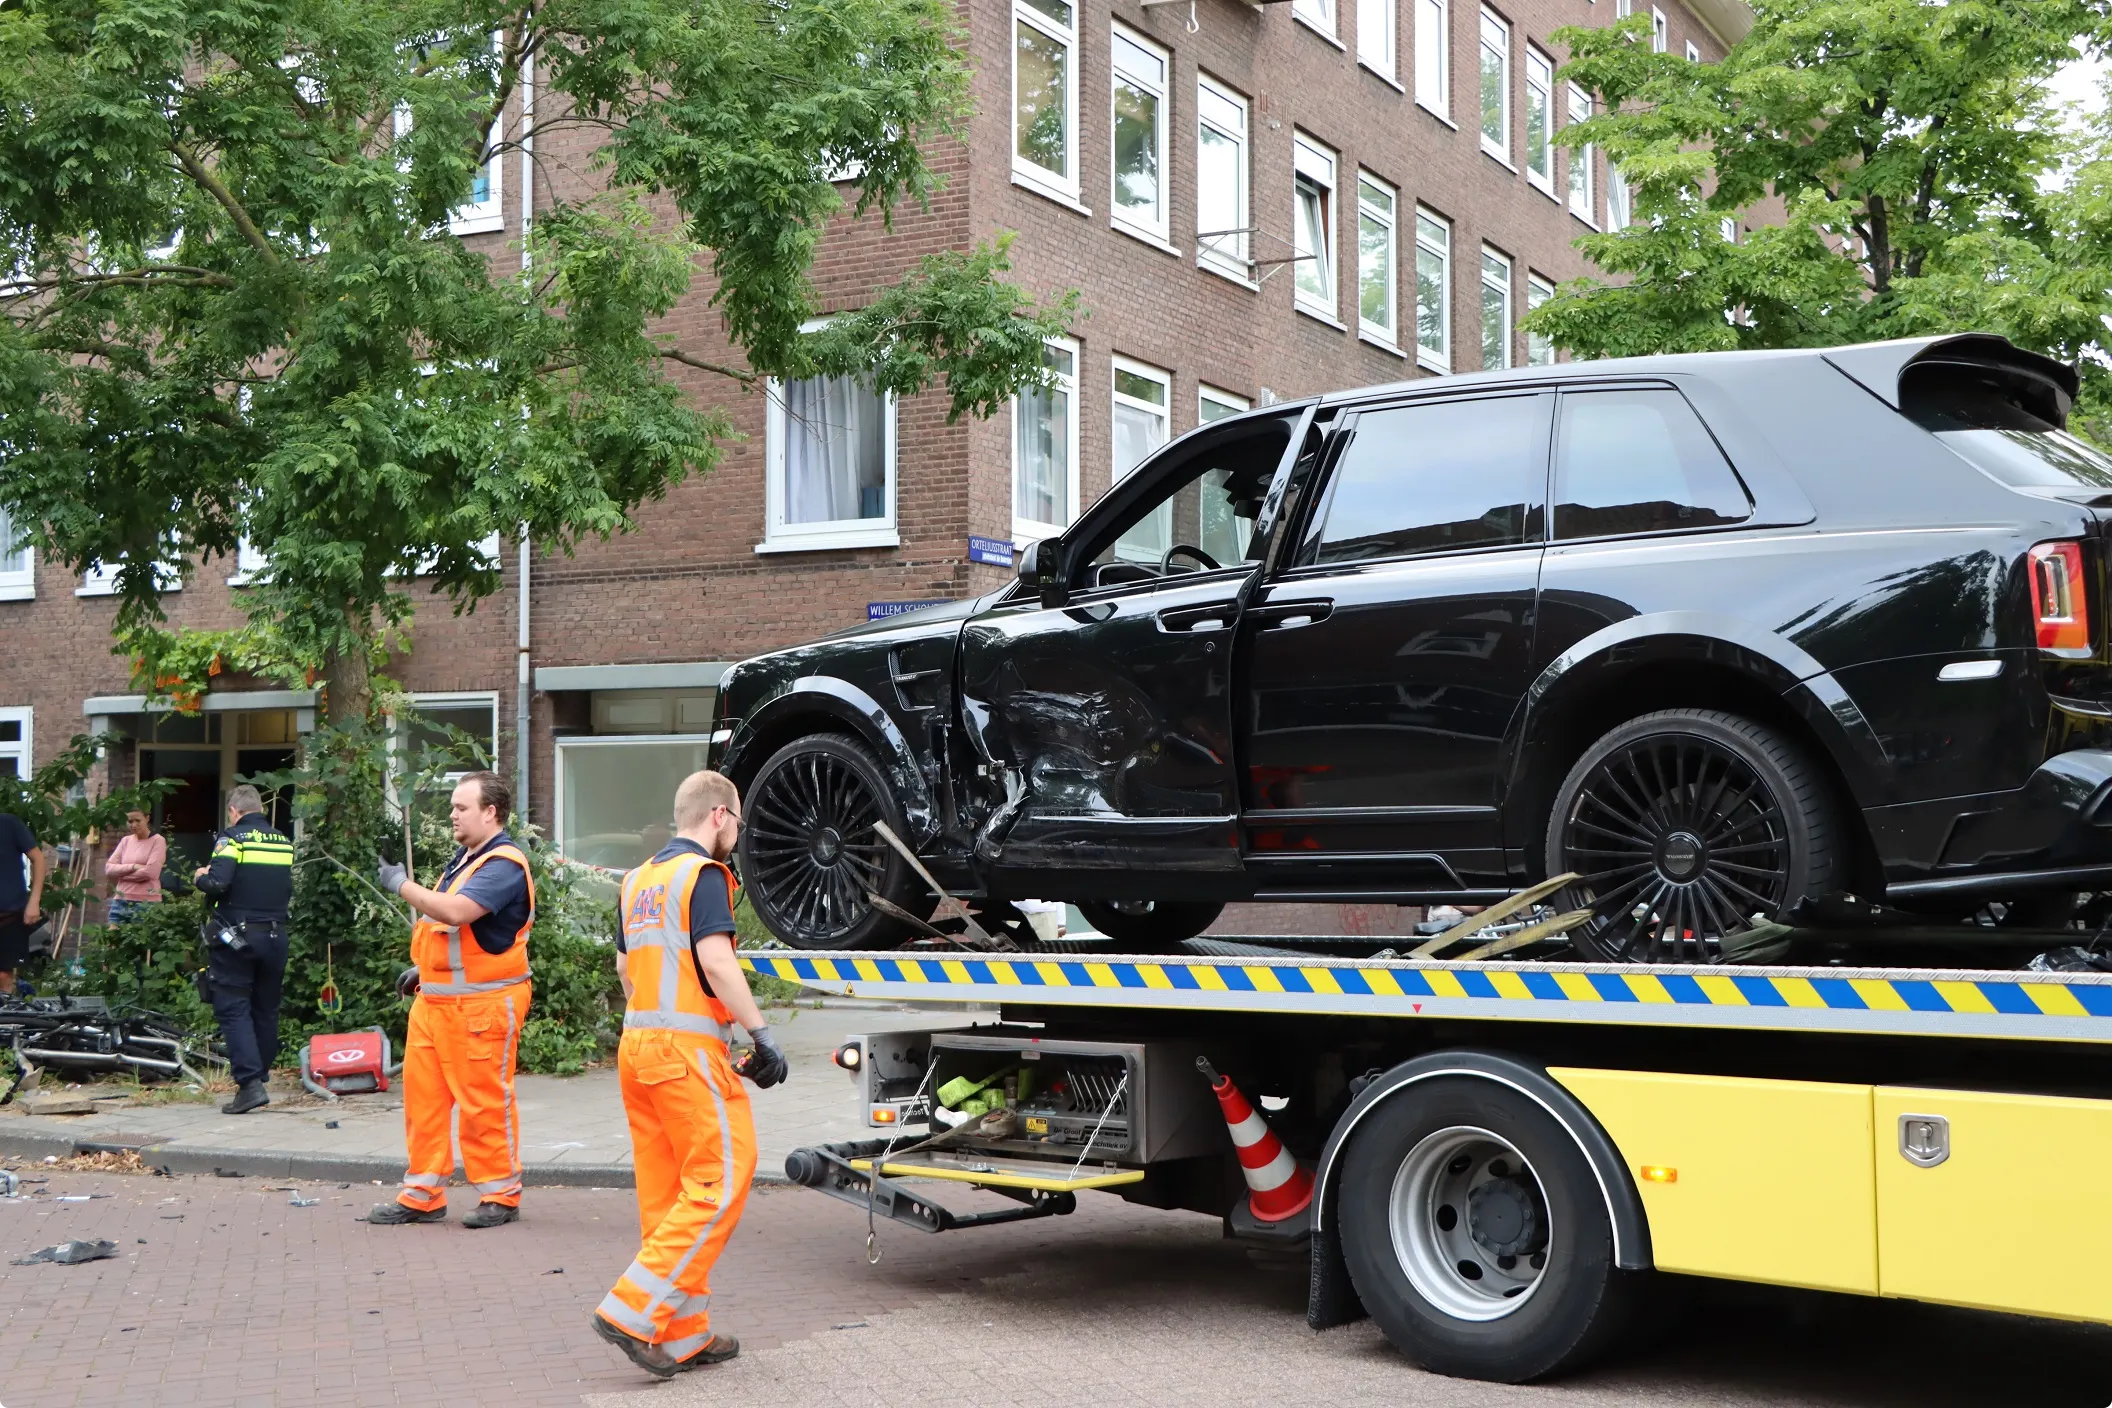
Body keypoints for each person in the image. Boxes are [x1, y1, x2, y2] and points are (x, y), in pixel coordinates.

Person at [592, 769, 787, 1378]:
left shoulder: (638, 880)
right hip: (685, 1054)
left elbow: (626, 968)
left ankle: (682, 1336)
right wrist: (760, 1032)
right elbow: (716, 960)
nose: (736, 836)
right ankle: (631, 1311)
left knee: (668, 1193)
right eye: (738, 824)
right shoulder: (703, 875)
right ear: (721, 816)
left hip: (638, 1049)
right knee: (723, 1177)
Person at [368, 770, 534, 1230]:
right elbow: (461, 936)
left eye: (461, 808)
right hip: (437, 1004)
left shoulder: (503, 864)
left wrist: (401, 884)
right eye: (453, 807)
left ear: (490, 812)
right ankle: (422, 1195)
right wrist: (426, 970)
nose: (453, 815)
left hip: (480, 1008)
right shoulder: (467, 860)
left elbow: (458, 912)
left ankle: (500, 1194)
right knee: (424, 1104)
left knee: (483, 1103)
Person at [191, 786, 294, 1114]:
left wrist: (199, 877)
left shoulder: (232, 838)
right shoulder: (282, 841)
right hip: (277, 936)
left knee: (232, 1006)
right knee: (266, 1008)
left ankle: (249, 1084)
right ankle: (259, 1076)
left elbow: (218, 883)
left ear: (234, 811)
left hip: (238, 937)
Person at [0, 807, 44, 997]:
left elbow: (39, 860)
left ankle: (5, 1022)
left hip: (9, 914)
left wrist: (34, 902)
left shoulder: (8, 824)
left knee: (3, 975)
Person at [103, 809, 166, 924]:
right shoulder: (125, 841)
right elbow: (109, 869)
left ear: (147, 819)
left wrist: (121, 875)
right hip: (120, 899)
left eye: (138, 820)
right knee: (112, 938)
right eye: (130, 821)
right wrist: (134, 866)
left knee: (140, 939)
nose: (134, 825)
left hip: (146, 901)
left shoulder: (158, 841)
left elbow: (150, 872)